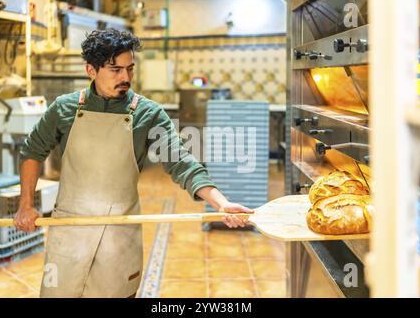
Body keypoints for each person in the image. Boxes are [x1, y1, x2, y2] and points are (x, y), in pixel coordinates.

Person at [14, 29, 253, 298]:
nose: (125, 77)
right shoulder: (64, 108)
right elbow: (32, 151)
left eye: (130, 69)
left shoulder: (147, 114)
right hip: (70, 232)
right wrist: (25, 205)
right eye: (115, 70)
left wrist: (220, 202)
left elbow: (181, 162)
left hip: (119, 235)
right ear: (91, 70)